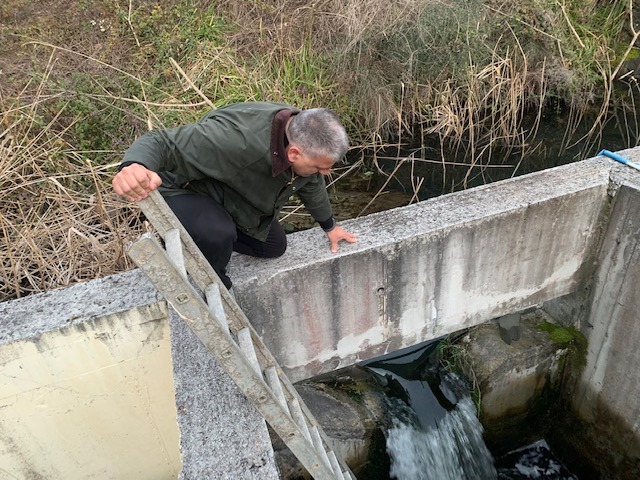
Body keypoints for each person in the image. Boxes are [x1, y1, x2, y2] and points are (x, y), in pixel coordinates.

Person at [112, 101, 357, 289]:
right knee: (217, 232)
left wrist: (329, 226)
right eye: (320, 167)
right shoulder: (231, 139)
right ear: (293, 153)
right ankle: (214, 284)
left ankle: (204, 240)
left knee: (272, 247)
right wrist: (134, 166)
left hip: (227, 192)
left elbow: (310, 181)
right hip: (182, 190)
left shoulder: (301, 132)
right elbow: (163, 142)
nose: (325, 173)